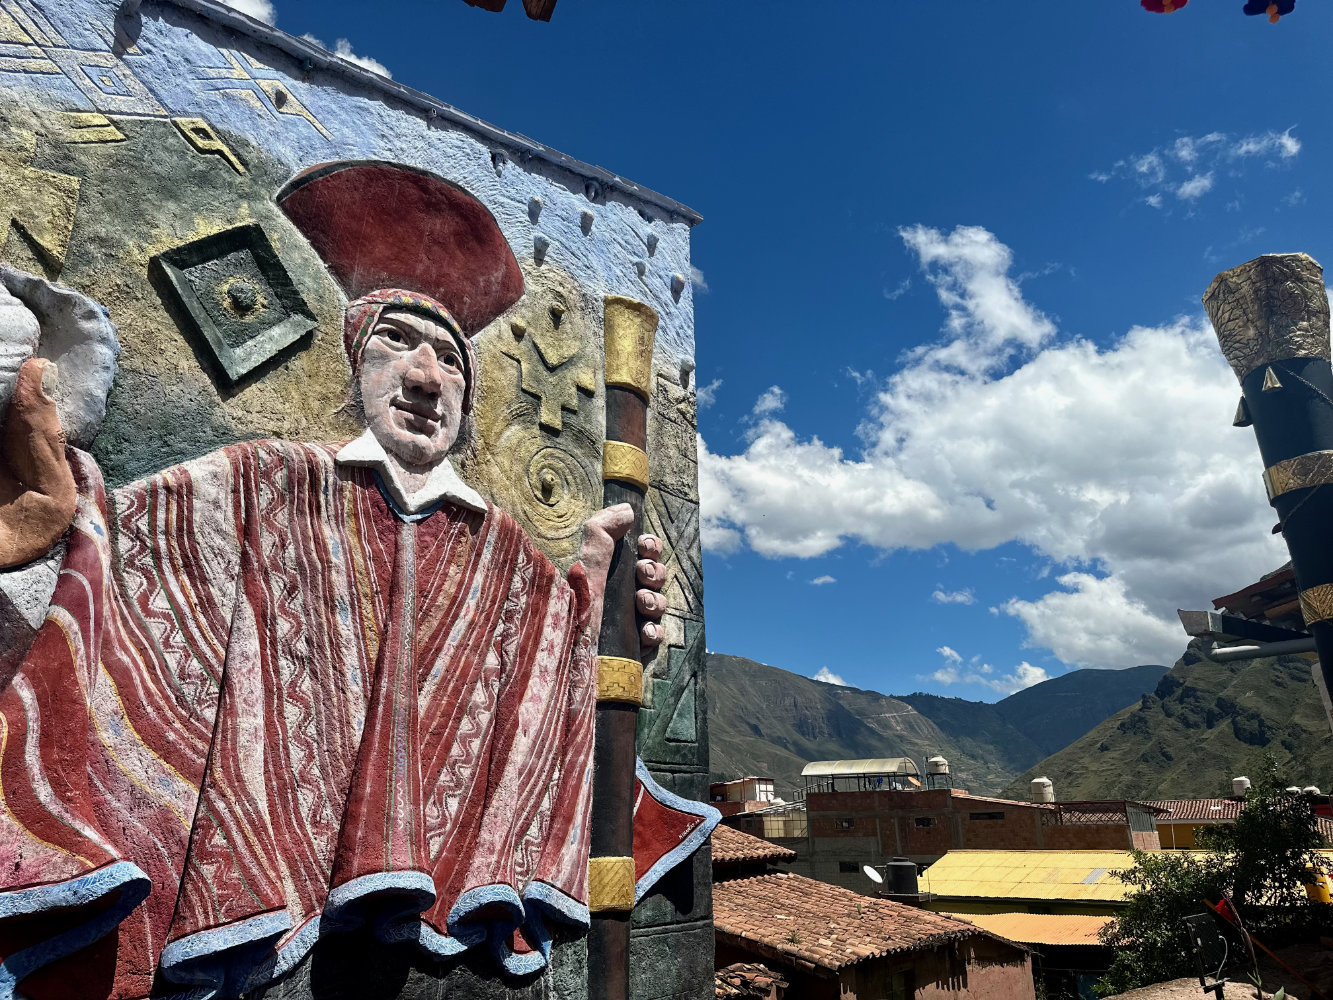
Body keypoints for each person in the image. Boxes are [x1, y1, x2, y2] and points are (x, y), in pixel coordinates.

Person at [0, 168, 668, 1000]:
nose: (427, 377)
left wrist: (605, 615)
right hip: (259, 907)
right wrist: (49, 489)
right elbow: (110, 536)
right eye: (396, 341)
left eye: (452, 360)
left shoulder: (503, 549)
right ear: (355, 360)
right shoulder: (260, 479)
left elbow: (559, 667)